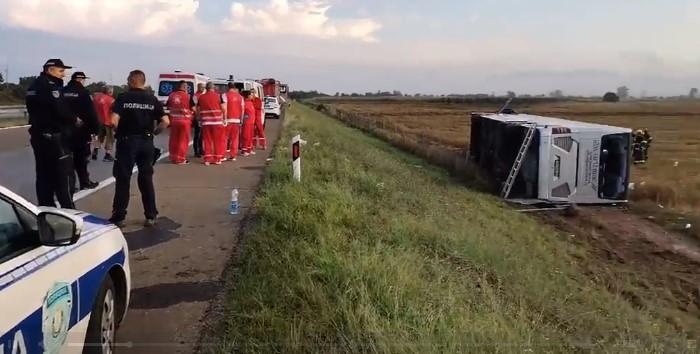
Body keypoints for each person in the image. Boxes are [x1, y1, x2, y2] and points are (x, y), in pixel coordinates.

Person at [109, 70, 169, 227]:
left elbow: (113, 120)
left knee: (123, 178)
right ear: (143, 82)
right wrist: (155, 132)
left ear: (131, 81)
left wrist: (118, 132)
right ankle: (151, 215)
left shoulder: (123, 98)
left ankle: (119, 216)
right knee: (146, 178)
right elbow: (165, 121)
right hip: (146, 142)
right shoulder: (152, 99)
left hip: (127, 141)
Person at [25, 58, 80, 208]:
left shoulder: (33, 86)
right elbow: (60, 110)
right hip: (55, 138)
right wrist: (75, 119)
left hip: (38, 136)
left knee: (43, 176)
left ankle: (46, 210)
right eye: (61, 71)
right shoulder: (51, 87)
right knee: (64, 177)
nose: (64, 75)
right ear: (50, 70)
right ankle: (70, 212)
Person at [63, 71, 100, 193]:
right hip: (80, 131)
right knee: (81, 159)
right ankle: (84, 182)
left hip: (64, 131)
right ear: (80, 79)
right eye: (84, 79)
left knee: (67, 159)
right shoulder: (83, 93)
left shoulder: (62, 91)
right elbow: (91, 113)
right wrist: (95, 130)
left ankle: (69, 185)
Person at [196, 82, 227, 165]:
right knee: (218, 141)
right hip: (217, 122)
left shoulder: (201, 97)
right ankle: (217, 159)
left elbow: (198, 110)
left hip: (206, 122)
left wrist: (199, 119)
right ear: (213, 88)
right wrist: (224, 118)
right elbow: (223, 108)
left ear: (206, 88)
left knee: (207, 140)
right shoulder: (218, 96)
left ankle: (207, 159)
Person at [166, 80, 195, 164]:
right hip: (185, 121)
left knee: (174, 139)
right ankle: (181, 159)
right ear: (184, 87)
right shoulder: (188, 96)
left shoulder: (171, 95)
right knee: (183, 140)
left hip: (174, 120)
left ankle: (173, 157)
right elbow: (193, 108)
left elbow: (168, 106)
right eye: (186, 86)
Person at [93, 86, 116, 161]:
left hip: (98, 121)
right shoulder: (111, 100)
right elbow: (114, 111)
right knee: (109, 139)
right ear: (109, 92)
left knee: (99, 137)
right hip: (108, 122)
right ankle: (107, 155)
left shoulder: (96, 98)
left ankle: (95, 150)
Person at [224, 82, 244, 161]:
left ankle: (223, 155)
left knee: (225, 138)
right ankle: (233, 155)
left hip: (228, 119)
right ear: (234, 88)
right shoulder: (240, 97)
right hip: (237, 120)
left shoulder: (225, 95)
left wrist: (224, 119)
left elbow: (224, 108)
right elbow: (242, 110)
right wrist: (241, 120)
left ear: (228, 87)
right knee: (235, 139)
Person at [192, 83, 206, 158]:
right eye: (202, 87)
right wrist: (197, 117)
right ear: (198, 87)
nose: (203, 89)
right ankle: (196, 151)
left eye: (204, 87)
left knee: (202, 135)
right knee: (197, 135)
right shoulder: (195, 96)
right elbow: (194, 107)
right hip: (198, 117)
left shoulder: (203, 95)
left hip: (203, 117)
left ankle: (201, 149)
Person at [241, 90, 256, 156]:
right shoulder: (244, 103)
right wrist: (245, 118)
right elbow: (242, 113)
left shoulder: (251, 103)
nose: (252, 96)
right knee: (246, 136)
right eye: (251, 95)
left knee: (250, 136)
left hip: (251, 123)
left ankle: (249, 149)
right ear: (247, 96)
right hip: (246, 122)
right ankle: (244, 150)